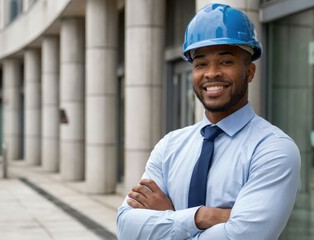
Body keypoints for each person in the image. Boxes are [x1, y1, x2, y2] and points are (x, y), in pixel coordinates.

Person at [117, 3, 301, 239]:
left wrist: (169, 216)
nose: (211, 73)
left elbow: (244, 236)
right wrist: (202, 216)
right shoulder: (169, 146)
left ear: (250, 72)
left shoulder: (273, 150)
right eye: (201, 63)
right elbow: (126, 227)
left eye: (226, 61)